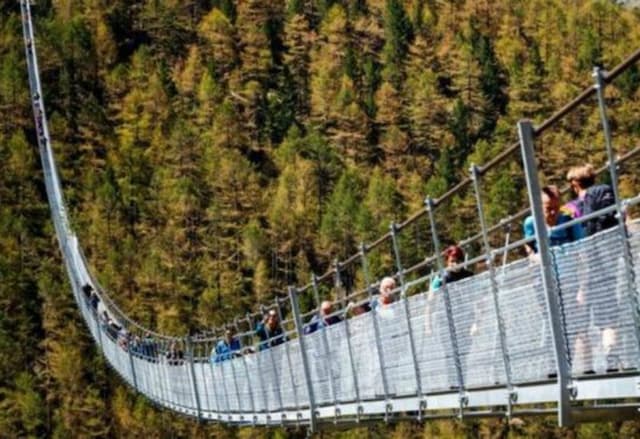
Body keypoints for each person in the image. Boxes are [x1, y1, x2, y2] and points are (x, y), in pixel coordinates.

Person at [523, 185, 585, 254]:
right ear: (539, 206)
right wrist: (534, 258)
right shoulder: (531, 223)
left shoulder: (570, 221)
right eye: (549, 208)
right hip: (544, 263)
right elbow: (529, 246)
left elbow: (581, 246)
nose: (553, 212)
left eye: (556, 208)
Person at [565, 164, 617, 236]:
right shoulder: (605, 189)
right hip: (614, 234)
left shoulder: (571, 206)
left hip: (589, 240)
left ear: (574, 184)